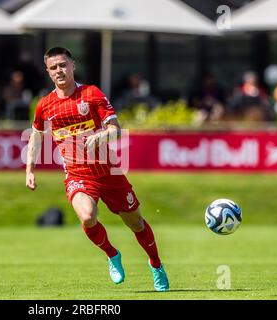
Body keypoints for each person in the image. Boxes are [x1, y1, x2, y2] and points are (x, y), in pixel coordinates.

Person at [25, 47, 169, 291]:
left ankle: (156, 264)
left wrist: (100, 137)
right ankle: (112, 255)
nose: (59, 71)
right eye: (53, 68)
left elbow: (116, 129)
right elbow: (36, 137)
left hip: (109, 171)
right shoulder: (45, 105)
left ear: (72, 65)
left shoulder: (91, 94)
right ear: (48, 73)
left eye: (63, 65)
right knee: (88, 216)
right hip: (77, 174)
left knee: (136, 223)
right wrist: (29, 169)